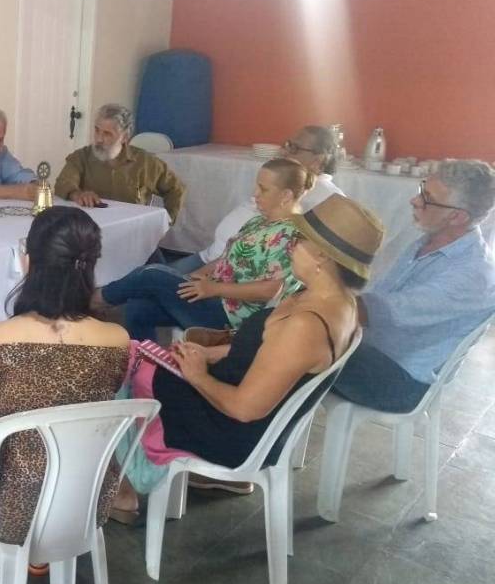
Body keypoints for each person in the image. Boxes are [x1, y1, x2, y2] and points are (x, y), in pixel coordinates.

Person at [111, 195, 383, 510]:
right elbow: (271, 353)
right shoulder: (339, 302)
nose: (291, 245)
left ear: (321, 256)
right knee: (133, 355)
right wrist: (211, 355)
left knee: (115, 366)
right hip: (229, 403)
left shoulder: (306, 326)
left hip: (228, 431)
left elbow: (244, 409)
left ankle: (123, 485)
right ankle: (122, 475)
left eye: (299, 240)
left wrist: (198, 376)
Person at [0, 206, 130, 559]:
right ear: (90, 266)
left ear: (28, 262)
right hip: (85, 501)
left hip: (4, 504)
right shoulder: (117, 339)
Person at [331, 160, 495, 412]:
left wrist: (321, 302)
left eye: (427, 198)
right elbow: (376, 300)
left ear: (457, 216)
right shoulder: (430, 240)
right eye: (421, 190)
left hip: (402, 381)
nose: (414, 201)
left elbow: (379, 312)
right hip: (373, 348)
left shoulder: (472, 275)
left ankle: (272, 426)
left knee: (301, 339)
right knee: (288, 334)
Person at [94, 157, 312, 339]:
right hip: (214, 295)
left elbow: (271, 290)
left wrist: (214, 289)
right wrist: (195, 276)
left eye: (263, 189)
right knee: (138, 307)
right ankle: (146, 370)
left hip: (231, 316)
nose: (255, 193)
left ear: (286, 196)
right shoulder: (260, 221)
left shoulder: (290, 234)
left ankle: (94, 301)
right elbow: (228, 258)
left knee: (151, 274)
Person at [169, 125, 347, 275]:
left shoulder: (329, 200)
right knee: (156, 275)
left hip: (233, 273)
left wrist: (204, 279)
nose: (284, 151)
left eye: (295, 148)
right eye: (287, 144)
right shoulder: (285, 179)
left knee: (156, 281)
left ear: (318, 161)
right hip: (211, 257)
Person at [53, 103, 186, 223]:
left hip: (132, 229)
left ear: (125, 137)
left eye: (107, 134)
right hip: (89, 230)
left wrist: (165, 221)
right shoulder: (81, 157)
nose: (99, 139)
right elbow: (63, 183)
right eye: (97, 130)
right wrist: (77, 194)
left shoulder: (145, 162)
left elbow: (176, 188)